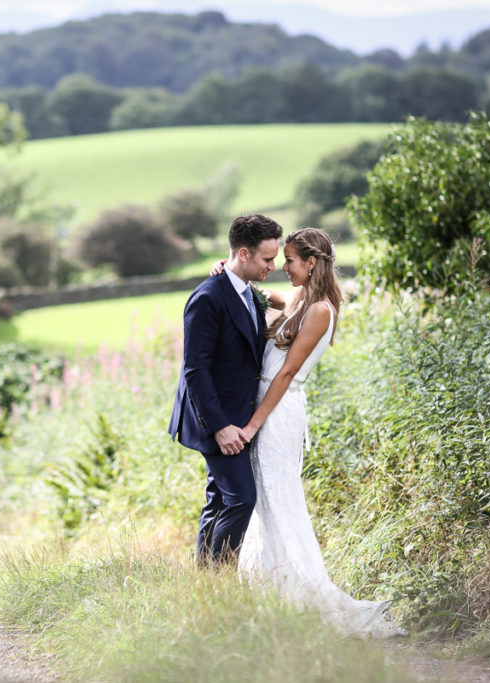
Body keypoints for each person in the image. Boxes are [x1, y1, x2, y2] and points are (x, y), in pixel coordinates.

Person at [211, 227, 405, 638]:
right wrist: (226, 272)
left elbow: (286, 373)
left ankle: (298, 591)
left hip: (278, 413)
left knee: (279, 499)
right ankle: (270, 591)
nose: (282, 267)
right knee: (265, 499)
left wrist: (252, 424)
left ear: (312, 263)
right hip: (268, 406)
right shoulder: (303, 300)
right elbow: (262, 298)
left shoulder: (320, 311)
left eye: (291, 261)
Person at [168, 214, 282, 565]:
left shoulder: (248, 291)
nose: (273, 266)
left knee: (219, 499)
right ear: (244, 254)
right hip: (217, 419)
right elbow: (196, 370)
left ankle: (205, 583)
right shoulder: (208, 298)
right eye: (267, 259)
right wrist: (219, 427)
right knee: (241, 499)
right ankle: (218, 578)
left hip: (238, 414)